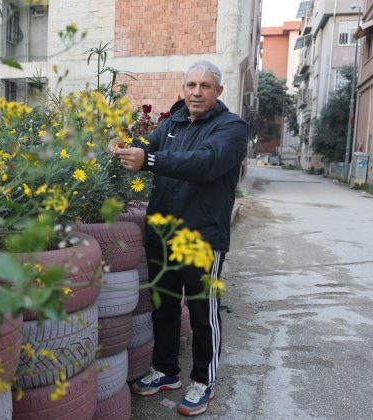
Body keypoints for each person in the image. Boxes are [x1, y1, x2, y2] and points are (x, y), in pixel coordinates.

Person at [111, 60, 248, 417]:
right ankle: (166, 370)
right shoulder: (171, 124)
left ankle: (203, 381)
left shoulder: (231, 128)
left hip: (202, 237)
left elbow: (204, 163)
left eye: (205, 86)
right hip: (162, 232)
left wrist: (149, 159)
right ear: (183, 88)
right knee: (164, 307)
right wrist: (126, 148)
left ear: (218, 91)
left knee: (205, 313)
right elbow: (147, 146)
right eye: (191, 85)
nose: (196, 92)